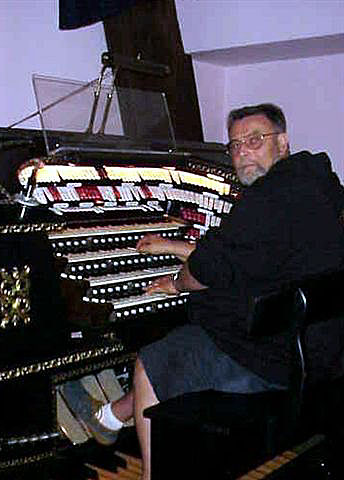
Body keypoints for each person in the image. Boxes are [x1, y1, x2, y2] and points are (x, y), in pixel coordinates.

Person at [61, 103, 344, 479]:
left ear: (283, 142)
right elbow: (250, 255)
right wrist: (175, 246)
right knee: (189, 344)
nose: (243, 150)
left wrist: (177, 282)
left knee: (153, 359)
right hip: (325, 349)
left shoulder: (265, 201)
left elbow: (207, 271)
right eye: (235, 144)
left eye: (255, 140)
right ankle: (113, 416)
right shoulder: (317, 185)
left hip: (280, 363)